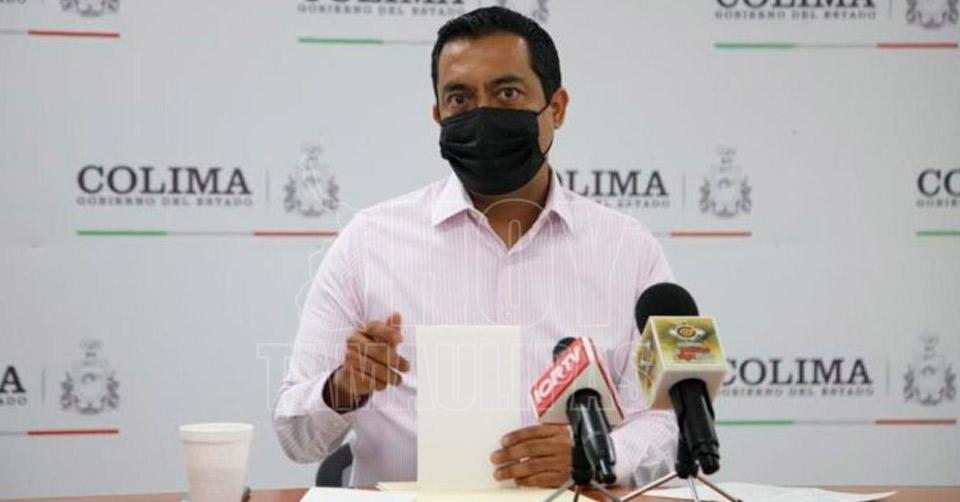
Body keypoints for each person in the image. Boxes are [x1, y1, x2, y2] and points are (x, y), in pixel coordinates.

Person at [273, 6, 678, 489]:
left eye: (507, 93)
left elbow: (668, 422)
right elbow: (295, 436)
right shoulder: (369, 242)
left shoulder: (628, 251)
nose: (482, 113)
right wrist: (344, 387)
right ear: (438, 115)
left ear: (557, 108)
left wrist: (597, 454)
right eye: (460, 98)